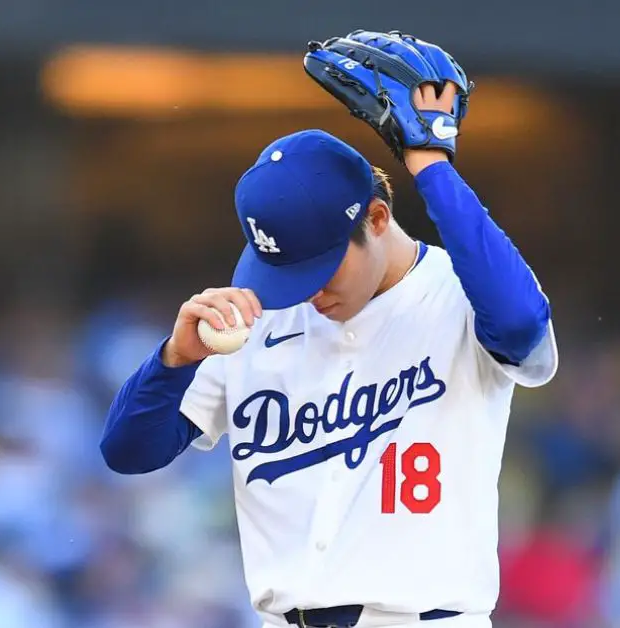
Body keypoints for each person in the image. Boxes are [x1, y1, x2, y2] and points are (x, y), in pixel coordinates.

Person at [100, 68, 559, 628]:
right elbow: (129, 452)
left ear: (377, 217)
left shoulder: (464, 292)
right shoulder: (256, 317)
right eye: (287, 271)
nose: (306, 290)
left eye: (319, 266)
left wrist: (432, 168)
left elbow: (522, 331)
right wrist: (171, 361)